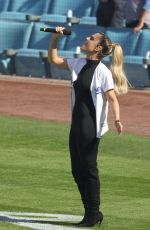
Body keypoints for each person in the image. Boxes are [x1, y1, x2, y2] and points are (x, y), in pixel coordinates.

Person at [48, 27, 128, 227]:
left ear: (98, 47)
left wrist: (117, 119)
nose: (86, 39)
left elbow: (113, 98)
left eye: (91, 39)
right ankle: (91, 212)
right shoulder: (78, 63)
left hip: (91, 128)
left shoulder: (102, 72)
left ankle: (93, 214)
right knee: (77, 171)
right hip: (76, 125)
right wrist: (55, 39)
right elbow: (54, 60)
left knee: (89, 170)